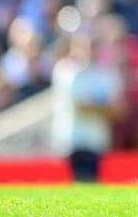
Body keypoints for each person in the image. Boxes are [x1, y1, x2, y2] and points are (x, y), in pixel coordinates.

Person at [51, 33, 124, 182]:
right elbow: (81, 107)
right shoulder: (67, 71)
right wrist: (104, 107)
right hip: (73, 141)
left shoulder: (104, 74)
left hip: (96, 141)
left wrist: (95, 106)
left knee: (90, 184)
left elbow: (119, 110)